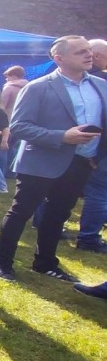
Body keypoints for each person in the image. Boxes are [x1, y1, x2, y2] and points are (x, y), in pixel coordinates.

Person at [0, 36, 107, 282]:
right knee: (21, 212)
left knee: (58, 215)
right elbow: (20, 127)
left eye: (89, 50)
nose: (89, 55)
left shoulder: (101, 85)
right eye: (80, 52)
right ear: (59, 58)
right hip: (41, 162)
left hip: (82, 163)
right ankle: (3, 263)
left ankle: (45, 263)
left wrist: (98, 156)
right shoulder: (38, 87)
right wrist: (62, 136)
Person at [77, 38, 107, 253]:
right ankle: (88, 238)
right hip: (95, 149)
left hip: (94, 149)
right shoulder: (96, 82)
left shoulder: (93, 82)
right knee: (98, 193)